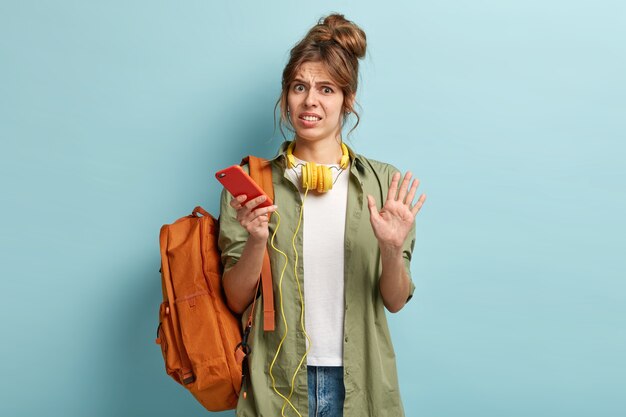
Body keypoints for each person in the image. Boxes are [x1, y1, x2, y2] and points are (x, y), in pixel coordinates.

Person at [218, 13, 426, 417]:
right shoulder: (251, 185)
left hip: (360, 384)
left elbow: (395, 300)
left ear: (346, 100)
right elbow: (235, 298)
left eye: (326, 89)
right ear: (286, 97)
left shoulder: (384, 186)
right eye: (299, 87)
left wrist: (391, 248)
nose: (310, 100)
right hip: (275, 383)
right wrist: (257, 239)